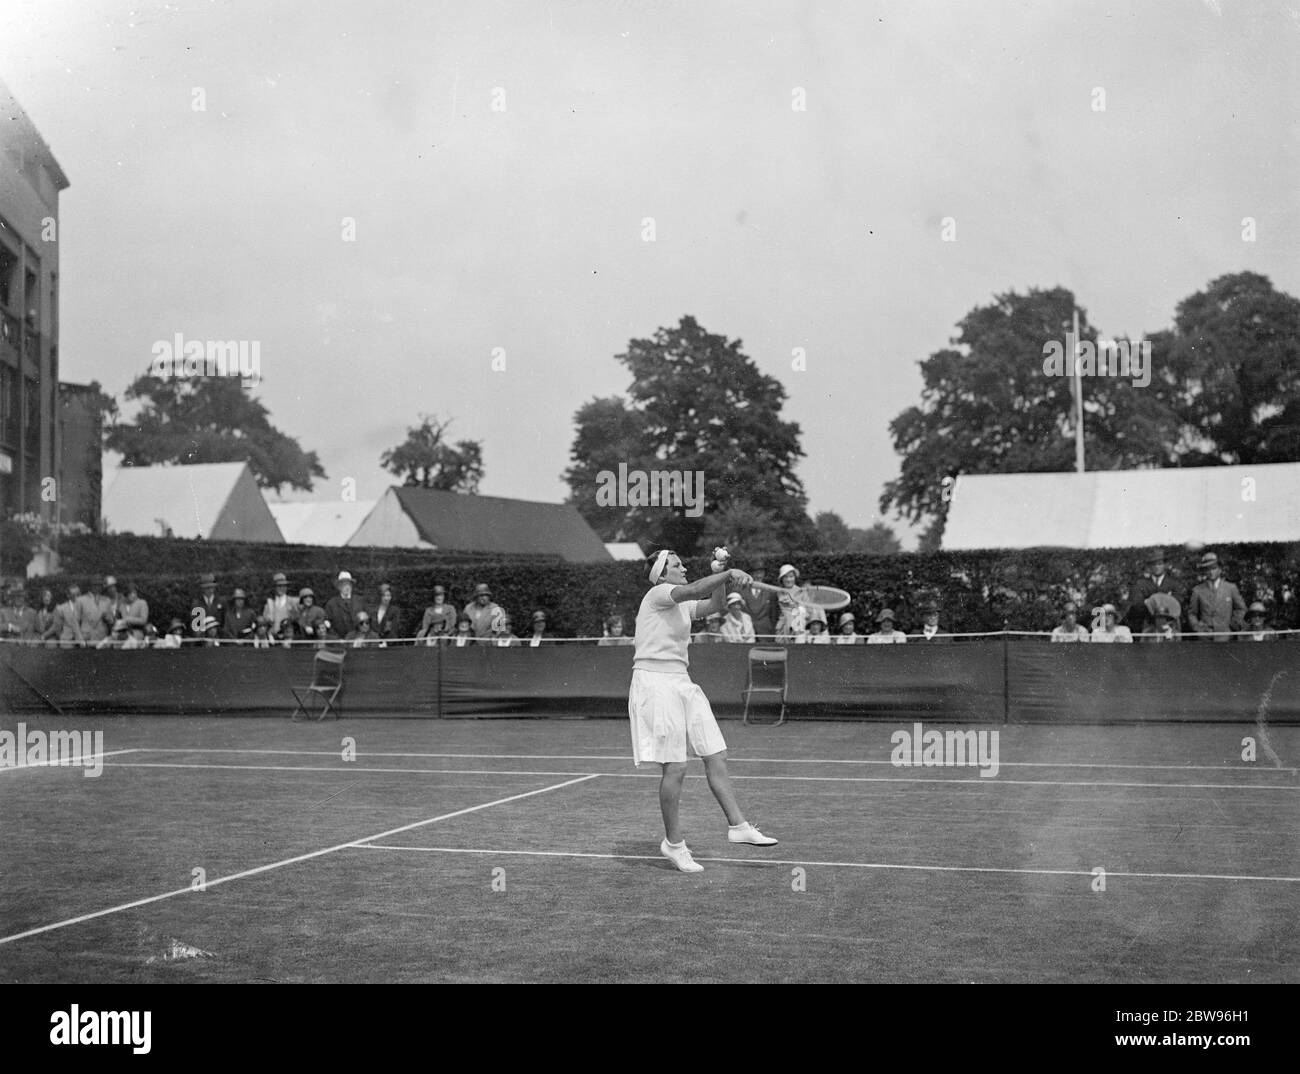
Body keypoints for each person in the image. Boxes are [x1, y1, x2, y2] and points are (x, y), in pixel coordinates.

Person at [629, 549, 777, 873]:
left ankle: (738, 826)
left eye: (682, 563)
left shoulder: (680, 604)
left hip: (681, 681)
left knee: (715, 752)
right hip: (654, 682)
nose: (683, 567)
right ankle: (674, 844)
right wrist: (728, 574)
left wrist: (722, 574)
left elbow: (715, 604)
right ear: (661, 574)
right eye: (676, 564)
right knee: (676, 768)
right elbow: (696, 589)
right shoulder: (658, 594)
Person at [1187, 553, 1246, 642]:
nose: (1211, 572)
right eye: (1208, 569)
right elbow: (1192, 613)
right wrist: (1198, 628)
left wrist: (1232, 625)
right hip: (1205, 637)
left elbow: (1241, 609)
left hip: (1225, 636)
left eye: (1214, 568)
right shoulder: (1198, 590)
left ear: (1220, 569)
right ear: (1204, 571)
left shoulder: (1230, 588)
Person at [1125, 549, 1182, 634]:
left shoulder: (1174, 584)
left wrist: (1149, 601)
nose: (1156, 567)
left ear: (1165, 565)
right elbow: (1137, 604)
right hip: (1148, 623)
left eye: (1159, 564)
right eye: (1153, 564)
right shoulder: (1141, 584)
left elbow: (1177, 603)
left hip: (1170, 623)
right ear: (1149, 567)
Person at [738, 567, 779, 640]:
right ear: (750, 575)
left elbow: (774, 614)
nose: (759, 576)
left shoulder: (770, 592)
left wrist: (772, 628)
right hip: (747, 632)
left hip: (766, 632)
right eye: (756, 573)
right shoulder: (742, 591)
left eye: (761, 573)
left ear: (764, 574)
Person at [324, 572, 366, 639]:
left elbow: (366, 621)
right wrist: (337, 639)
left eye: (349, 584)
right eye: (344, 584)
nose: (347, 587)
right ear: (339, 587)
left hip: (359, 641)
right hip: (339, 641)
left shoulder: (360, 601)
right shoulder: (331, 604)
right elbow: (328, 625)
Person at [77, 577, 117, 646]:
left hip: (102, 639)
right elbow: (76, 621)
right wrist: (79, 638)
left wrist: (109, 619)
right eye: (95, 585)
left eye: (99, 585)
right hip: (86, 639)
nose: (97, 587)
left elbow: (112, 621)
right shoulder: (80, 600)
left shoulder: (107, 600)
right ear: (90, 586)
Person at [774, 564, 808, 643]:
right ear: (781, 579)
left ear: (795, 578)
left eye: (791, 576)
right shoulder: (778, 592)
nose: (789, 579)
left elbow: (806, 613)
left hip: (799, 631)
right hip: (782, 630)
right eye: (785, 577)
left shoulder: (802, 592)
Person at [191, 573, 226, 639]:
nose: (210, 590)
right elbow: (195, 625)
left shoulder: (222, 601)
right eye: (207, 588)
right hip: (203, 638)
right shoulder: (196, 603)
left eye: (212, 587)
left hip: (219, 636)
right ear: (203, 589)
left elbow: (224, 621)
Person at [53, 584, 84, 648]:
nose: (76, 597)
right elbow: (57, 628)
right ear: (68, 595)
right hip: (66, 644)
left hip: (83, 643)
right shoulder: (61, 608)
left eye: (78, 594)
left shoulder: (85, 607)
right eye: (73, 595)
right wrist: (64, 638)